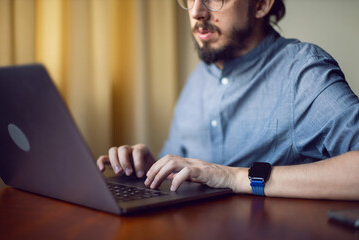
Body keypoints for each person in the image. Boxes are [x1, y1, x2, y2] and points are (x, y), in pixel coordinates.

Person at [97, 0, 359, 200]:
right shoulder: (196, 81)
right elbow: (186, 171)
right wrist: (151, 169)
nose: (197, 11)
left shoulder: (302, 71)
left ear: (260, 4)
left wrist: (231, 176)